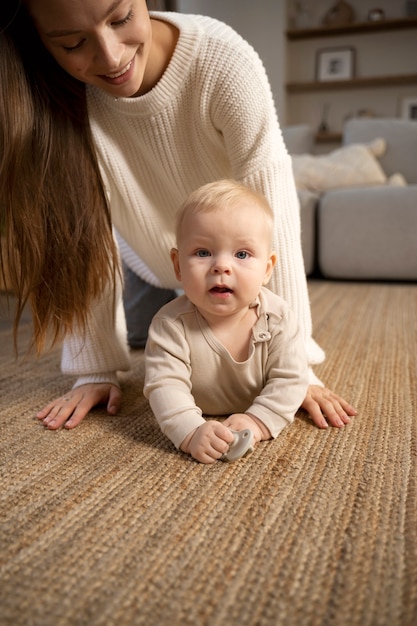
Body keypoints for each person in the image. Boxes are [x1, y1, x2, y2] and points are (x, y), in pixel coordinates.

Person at [0, 0, 356, 432]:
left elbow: (271, 205)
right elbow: (82, 230)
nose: (111, 58)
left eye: (121, 19)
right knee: (151, 338)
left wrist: (295, 364)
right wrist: (94, 368)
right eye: (74, 43)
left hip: (226, 256)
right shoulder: (51, 93)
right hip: (145, 261)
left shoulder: (223, 60)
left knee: (229, 338)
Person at [144, 180, 310, 463]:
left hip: (255, 408)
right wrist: (190, 431)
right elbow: (164, 386)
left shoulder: (279, 318)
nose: (221, 266)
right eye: (203, 252)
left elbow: (291, 380)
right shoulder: (169, 325)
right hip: (197, 410)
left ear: (267, 269)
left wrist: (258, 422)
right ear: (177, 266)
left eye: (242, 254)